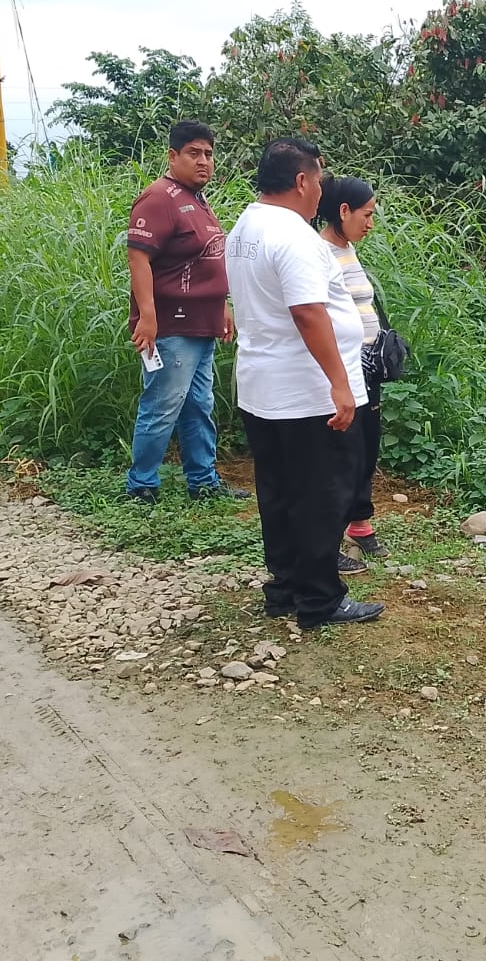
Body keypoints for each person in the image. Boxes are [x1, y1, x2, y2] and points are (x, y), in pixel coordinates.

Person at [224, 138, 386, 629]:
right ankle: (320, 599)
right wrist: (339, 384)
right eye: (318, 180)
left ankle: (285, 587)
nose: (321, 190)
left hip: (263, 387)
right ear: (300, 181)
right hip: (307, 393)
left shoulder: (245, 227)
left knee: (279, 491)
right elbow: (308, 313)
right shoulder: (293, 235)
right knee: (323, 493)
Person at [123, 120, 246, 504]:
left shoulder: (197, 200)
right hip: (171, 326)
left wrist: (221, 305)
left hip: (201, 323)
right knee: (163, 405)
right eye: (194, 153)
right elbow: (138, 258)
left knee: (198, 406)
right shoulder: (158, 198)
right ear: (173, 156)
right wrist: (148, 317)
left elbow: (203, 258)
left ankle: (203, 482)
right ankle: (141, 485)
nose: (203, 160)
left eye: (208, 153)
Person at [315, 174, 390, 573]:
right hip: (343, 367)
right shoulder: (320, 253)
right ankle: (328, 537)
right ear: (343, 211)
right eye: (367, 214)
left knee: (366, 444)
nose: (371, 223)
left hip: (367, 366)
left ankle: (359, 522)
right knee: (341, 452)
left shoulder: (347, 249)